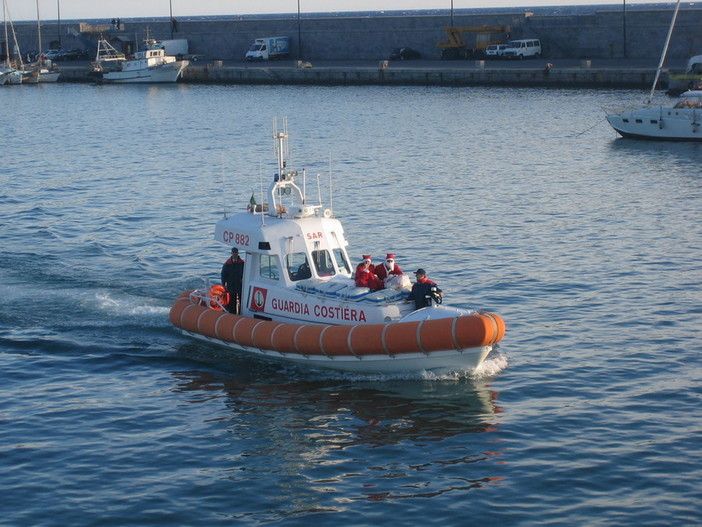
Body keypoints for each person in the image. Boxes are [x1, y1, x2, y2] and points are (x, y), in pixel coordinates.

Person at [221, 247, 244, 314]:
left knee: (241, 301)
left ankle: (240, 313)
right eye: (234, 253)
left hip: (239, 285)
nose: (235, 255)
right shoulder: (227, 264)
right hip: (231, 285)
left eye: (236, 253)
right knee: (232, 302)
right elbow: (223, 274)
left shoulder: (242, 263)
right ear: (231, 253)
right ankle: (232, 314)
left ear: (238, 253)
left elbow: (244, 273)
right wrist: (223, 284)